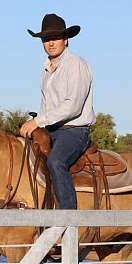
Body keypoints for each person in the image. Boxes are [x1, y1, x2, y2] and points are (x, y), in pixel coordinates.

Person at [20, 13, 96, 209]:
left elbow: (73, 105)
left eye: (55, 38)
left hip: (74, 131)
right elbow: (46, 107)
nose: (50, 43)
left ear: (66, 40)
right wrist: (35, 123)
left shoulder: (76, 65)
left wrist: (38, 122)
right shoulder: (46, 71)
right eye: (46, 39)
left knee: (56, 161)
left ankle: (68, 218)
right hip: (52, 130)